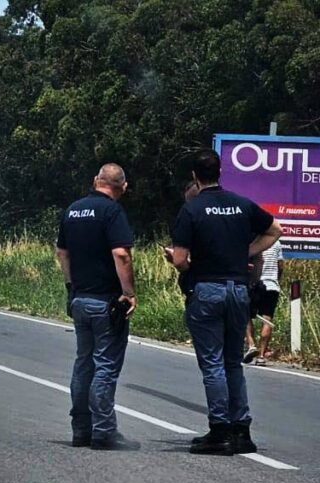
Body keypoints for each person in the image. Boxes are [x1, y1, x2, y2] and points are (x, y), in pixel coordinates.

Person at [165, 149, 282, 455]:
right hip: (239, 291)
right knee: (233, 362)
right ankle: (241, 430)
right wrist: (244, 252)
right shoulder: (241, 204)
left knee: (213, 362)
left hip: (207, 289)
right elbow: (275, 230)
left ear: (194, 176)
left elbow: (179, 260)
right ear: (220, 172)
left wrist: (184, 262)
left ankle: (219, 430)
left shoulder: (191, 210)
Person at [56, 163, 138, 450]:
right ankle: (103, 430)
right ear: (123, 187)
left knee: (83, 363)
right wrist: (129, 293)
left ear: (95, 180)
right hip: (106, 301)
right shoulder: (112, 212)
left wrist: (70, 287)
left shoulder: (72, 210)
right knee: (105, 366)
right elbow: (121, 255)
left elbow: (62, 252)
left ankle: (81, 429)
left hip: (79, 298)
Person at [244, 241, 283, 366]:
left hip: (255, 285)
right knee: (267, 319)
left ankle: (251, 344)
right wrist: (277, 280)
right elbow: (280, 265)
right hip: (272, 286)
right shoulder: (277, 243)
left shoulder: (254, 242)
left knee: (246, 315)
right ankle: (261, 356)